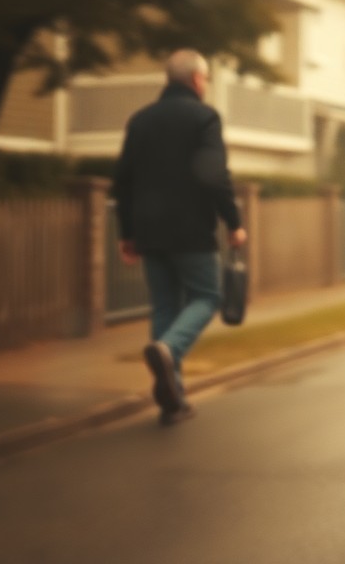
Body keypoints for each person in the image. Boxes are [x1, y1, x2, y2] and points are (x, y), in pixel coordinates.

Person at [112, 49, 247, 425]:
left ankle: (173, 399)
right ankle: (169, 349)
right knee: (208, 296)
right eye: (206, 79)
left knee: (164, 307)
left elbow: (123, 180)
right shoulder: (204, 117)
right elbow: (214, 174)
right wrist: (233, 222)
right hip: (191, 231)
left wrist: (127, 233)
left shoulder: (140, 120)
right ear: (197, 80)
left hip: (150, 232)